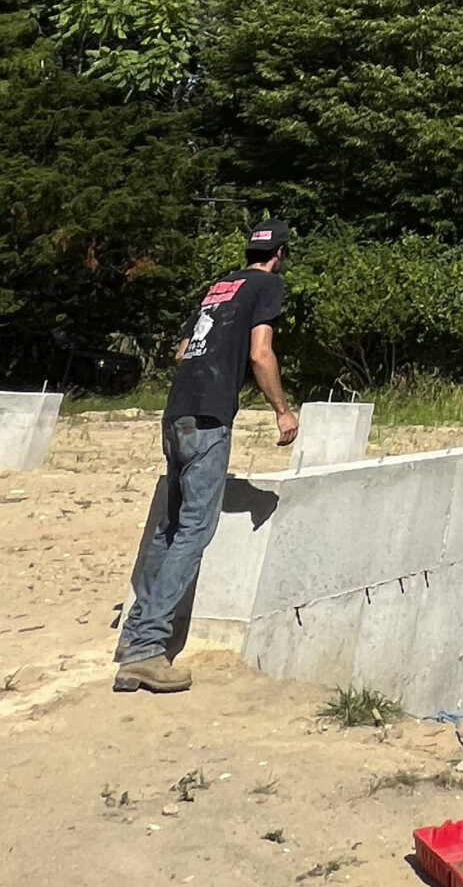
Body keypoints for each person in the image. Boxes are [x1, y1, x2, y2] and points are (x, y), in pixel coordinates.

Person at [114, 220, 300, 692]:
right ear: (279, 254)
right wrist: (282, 410)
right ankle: (146, 650)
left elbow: (181, 352)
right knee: (195, 529)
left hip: (176, 412)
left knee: (168, 527)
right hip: (210, 417)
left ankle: (134, 633)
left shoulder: (218, 287)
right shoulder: (268, 285)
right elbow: (261, 353)